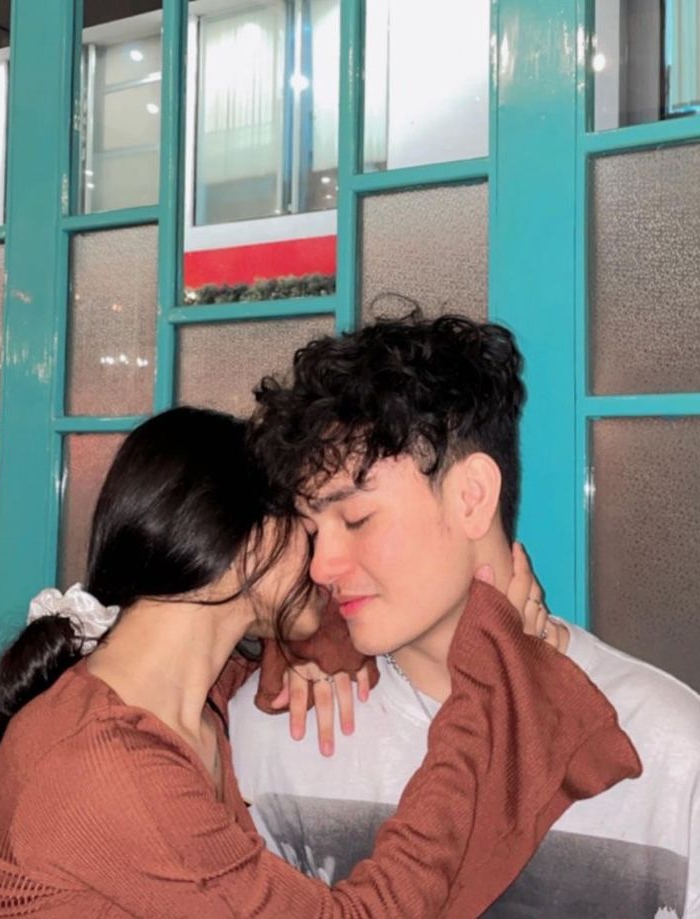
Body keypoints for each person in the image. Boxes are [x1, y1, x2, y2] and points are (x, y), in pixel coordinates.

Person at [0, 406, 638, 918]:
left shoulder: (178, 697)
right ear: (249, 546)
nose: (321, 565)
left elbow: (248, 662)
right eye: (308, 531)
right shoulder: (109, 765)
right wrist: (486, 683)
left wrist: (323, 646)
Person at [233, 312, 700, 918]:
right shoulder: (277, 734)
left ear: (472, 497)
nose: (321, 567)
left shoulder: (667, 750)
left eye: (355, 520)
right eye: (310, 530)